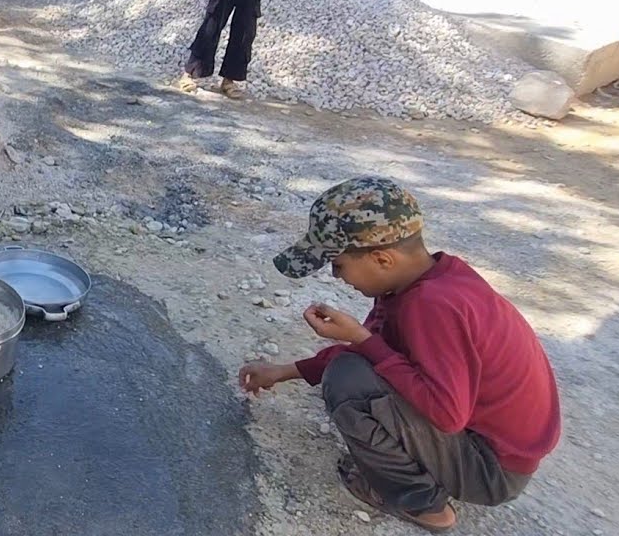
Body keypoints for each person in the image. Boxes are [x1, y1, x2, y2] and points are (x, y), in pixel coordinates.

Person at [239, 177, 560, 533]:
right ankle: (420, 470)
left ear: (382, 258)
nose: (335, 275)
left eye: (339, 264)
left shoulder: (432, 306)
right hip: (493, 447)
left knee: (348, 384)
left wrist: (360, 338)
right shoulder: (428, 279)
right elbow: (377, 350)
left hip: (493, 469)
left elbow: (446, 414)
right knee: (356, 368)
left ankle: (427, 507)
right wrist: (285, 371)